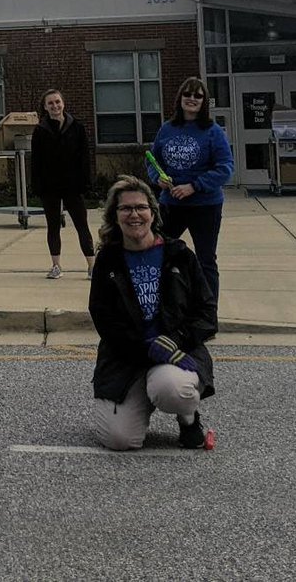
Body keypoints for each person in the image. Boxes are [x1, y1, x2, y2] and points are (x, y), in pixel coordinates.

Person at [89, 176, 216, 450]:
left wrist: (176, 342)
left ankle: (188, 419)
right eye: (125, 208)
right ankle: (138, 401)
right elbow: (103, 319)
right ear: (115, 215)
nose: (134, 214)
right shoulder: (108, 260)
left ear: (153, 212)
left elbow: (207, 313)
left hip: (175, 354)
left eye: (141, 207)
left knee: (172, 391)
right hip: (127, 357)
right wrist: (144, 349)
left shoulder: (179, 255)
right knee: (119, 440)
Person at [147, 76, 234, 303]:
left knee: (206, 260)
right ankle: (163, 305)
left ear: (204, 101)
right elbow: (152, 160)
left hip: (205, 206)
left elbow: (225, 168)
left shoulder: (213, 131)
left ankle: (208, 314)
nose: (192, 99)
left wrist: (194, 186)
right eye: (187, 94)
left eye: (198, 95)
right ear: (180, 98)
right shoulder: (167, 129)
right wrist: (158, 179)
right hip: (171, 205)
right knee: (159, 253)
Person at [30, 89, 96, 280]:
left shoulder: (77, 127)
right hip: (49, 186)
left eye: (57, 102)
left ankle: (91, 265)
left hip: (73, 185)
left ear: (63, 103)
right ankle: (56, 265)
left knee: (81, 225)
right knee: (53, 226)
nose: (55, 106)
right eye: (50, 103)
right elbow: (36, 162)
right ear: (45, 107)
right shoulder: (41, 130)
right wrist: (37, 185)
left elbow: (84, 157)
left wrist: (85, 182)